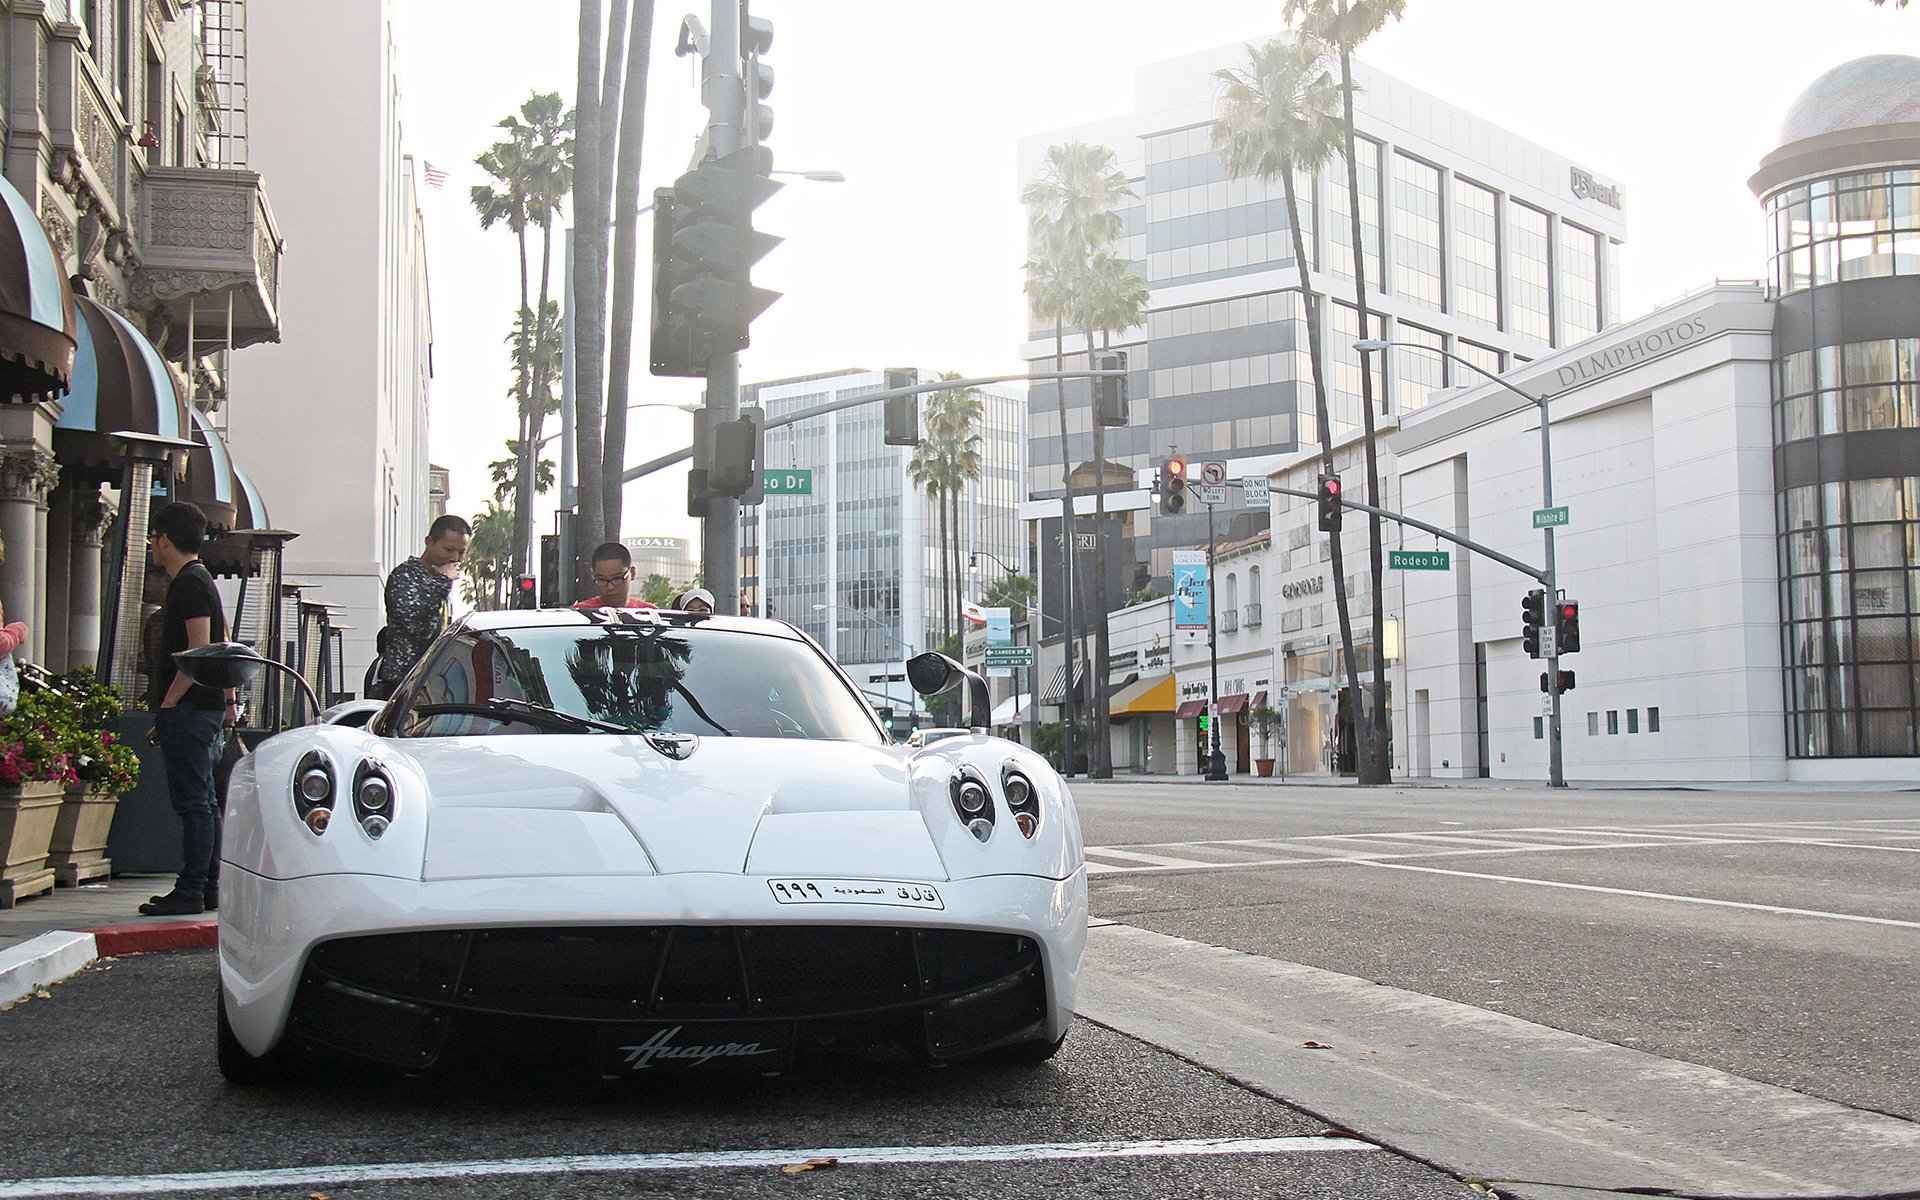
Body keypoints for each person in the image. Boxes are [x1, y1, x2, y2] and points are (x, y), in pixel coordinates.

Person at [140, 501, 235, 917]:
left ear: (164, 541)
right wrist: (229, 700)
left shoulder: (190, 583)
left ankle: (193, 886)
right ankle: (207, 886)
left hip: (192, 710)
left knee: (194, 802)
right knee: (205, 802)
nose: (152, 546)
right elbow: (224, 635)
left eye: (153, 538)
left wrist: (168, 703)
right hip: (203, 708)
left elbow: (200, 651)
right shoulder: (200, 581)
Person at [371, 515, 470, 700]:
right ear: (429, 542)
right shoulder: (404, 575)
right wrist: (442, 581)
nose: (454, 559)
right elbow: (414, 625)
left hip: (432, 683)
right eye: (449, 550)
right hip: (402, 684)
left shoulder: (439, 583)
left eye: (461, 552)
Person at [574, 543, 658, 610]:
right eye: (602, 580)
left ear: (632, 573)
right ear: (593, 575)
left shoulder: (649, 614)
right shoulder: (580, 613)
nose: (610, 587)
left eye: (617, 579)